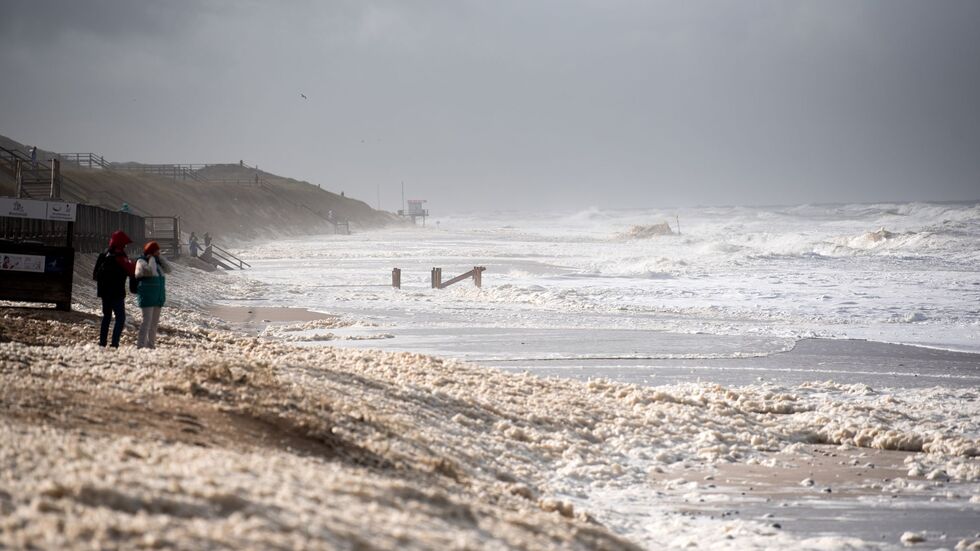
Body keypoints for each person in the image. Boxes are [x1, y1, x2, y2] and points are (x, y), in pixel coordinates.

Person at [93, 230, 136, 348]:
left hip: (104, 292)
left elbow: (95, 275)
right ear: (121, 244)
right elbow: (131, 271)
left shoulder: (104, 255)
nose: (126, 246)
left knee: (106, 317)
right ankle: (114, 344)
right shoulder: (121, 256)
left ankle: (102, 343)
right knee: (120, 318)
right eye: (125, 244)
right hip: (117, 293)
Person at [134, 241, 171, 349]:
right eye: (156, 251)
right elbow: (150, 272)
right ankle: (141, 346)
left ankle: (151, 345)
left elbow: (169, 269)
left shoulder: (158, 264)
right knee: (146, 322)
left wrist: (160, 258)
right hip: (147, 296)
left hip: (158, 297)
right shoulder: (141, 261)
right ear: (151, 251)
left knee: (154, 324)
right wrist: (152, 259)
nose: (158, 253)